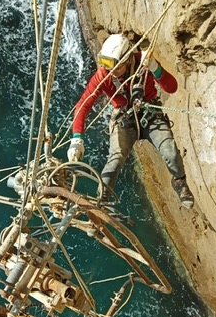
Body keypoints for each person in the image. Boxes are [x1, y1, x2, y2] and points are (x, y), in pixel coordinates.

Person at [67, 33, 194, 209]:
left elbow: (171, 88)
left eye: (116, 67)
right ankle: (102, 200)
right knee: (114, 160)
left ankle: (179, 181)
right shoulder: (103, 74)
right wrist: (77, 138)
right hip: (123, 119)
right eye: (107, 66)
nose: (111, 71)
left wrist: (155, 68)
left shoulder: (143, 61)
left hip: (150, 115)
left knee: (170, 151)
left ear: (127, 59)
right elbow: (83, 104)